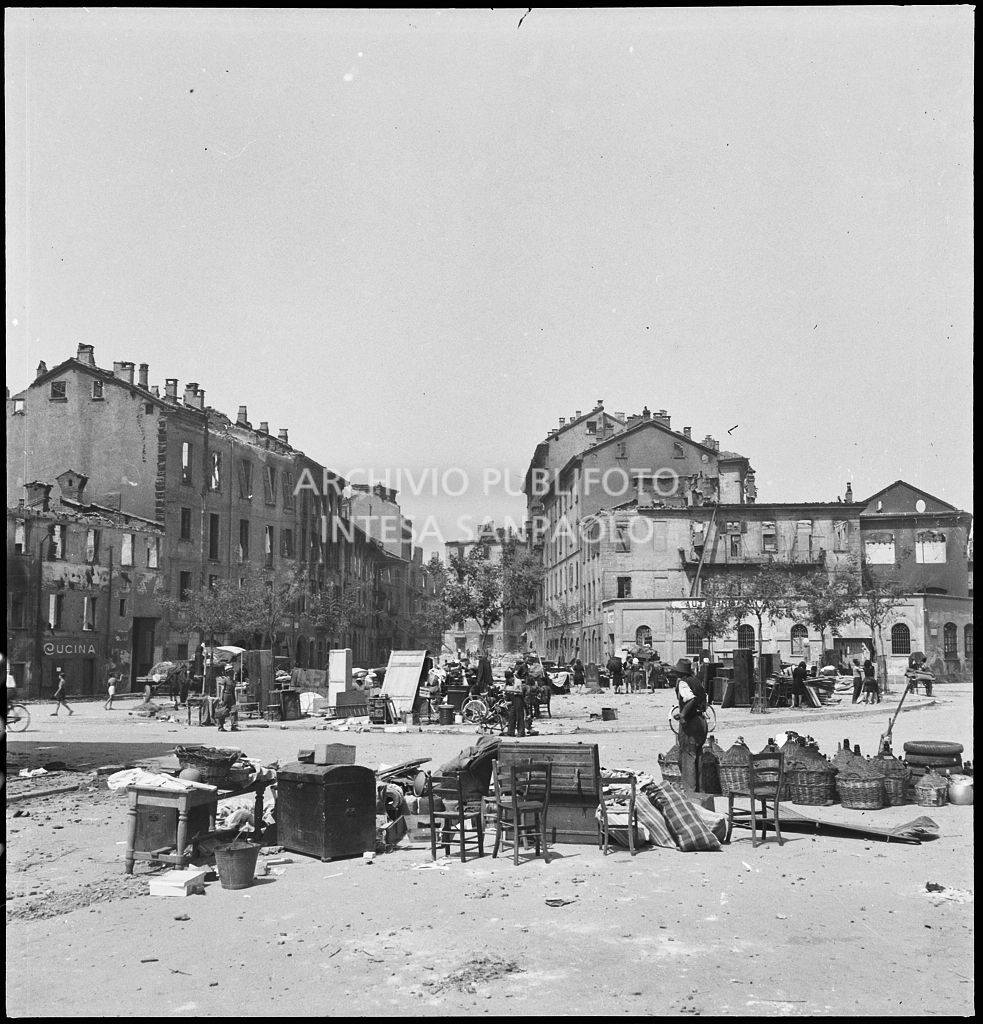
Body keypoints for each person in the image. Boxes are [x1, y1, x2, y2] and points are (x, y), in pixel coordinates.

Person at [672, 658, 707, 792]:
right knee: (697, 755)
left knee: (687, 757)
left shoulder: (683, 683)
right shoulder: (696, 681)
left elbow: (691, 699)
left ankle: (690, 793)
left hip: (691, 723)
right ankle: (700, 791)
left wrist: (683, 715)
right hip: (700, 721)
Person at [504, 669, 526, 738]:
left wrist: (508, 690)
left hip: (518, 698)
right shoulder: (510, 682)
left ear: (512, 677)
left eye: (509, 679)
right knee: (511, 715)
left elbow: (519, 691)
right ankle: (510, 732)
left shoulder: (518, 681)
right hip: (512, 698)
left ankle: (521, 732)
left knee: (519, 715)